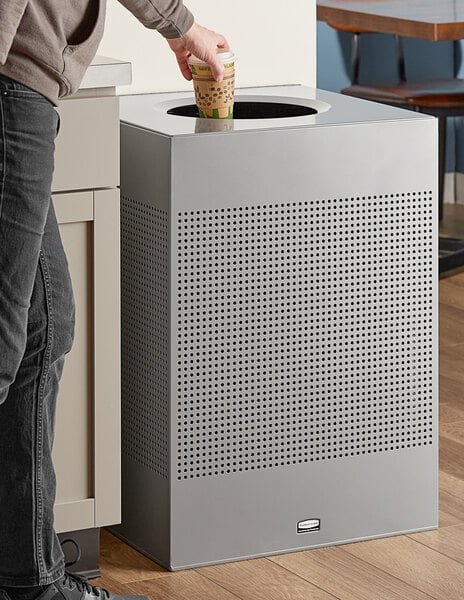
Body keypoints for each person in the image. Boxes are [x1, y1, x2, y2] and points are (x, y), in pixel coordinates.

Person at [0, 2, 228, 600]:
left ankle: (30, 581)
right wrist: (183, 27)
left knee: (44, 325)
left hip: (24, 90)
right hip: (8, 90)